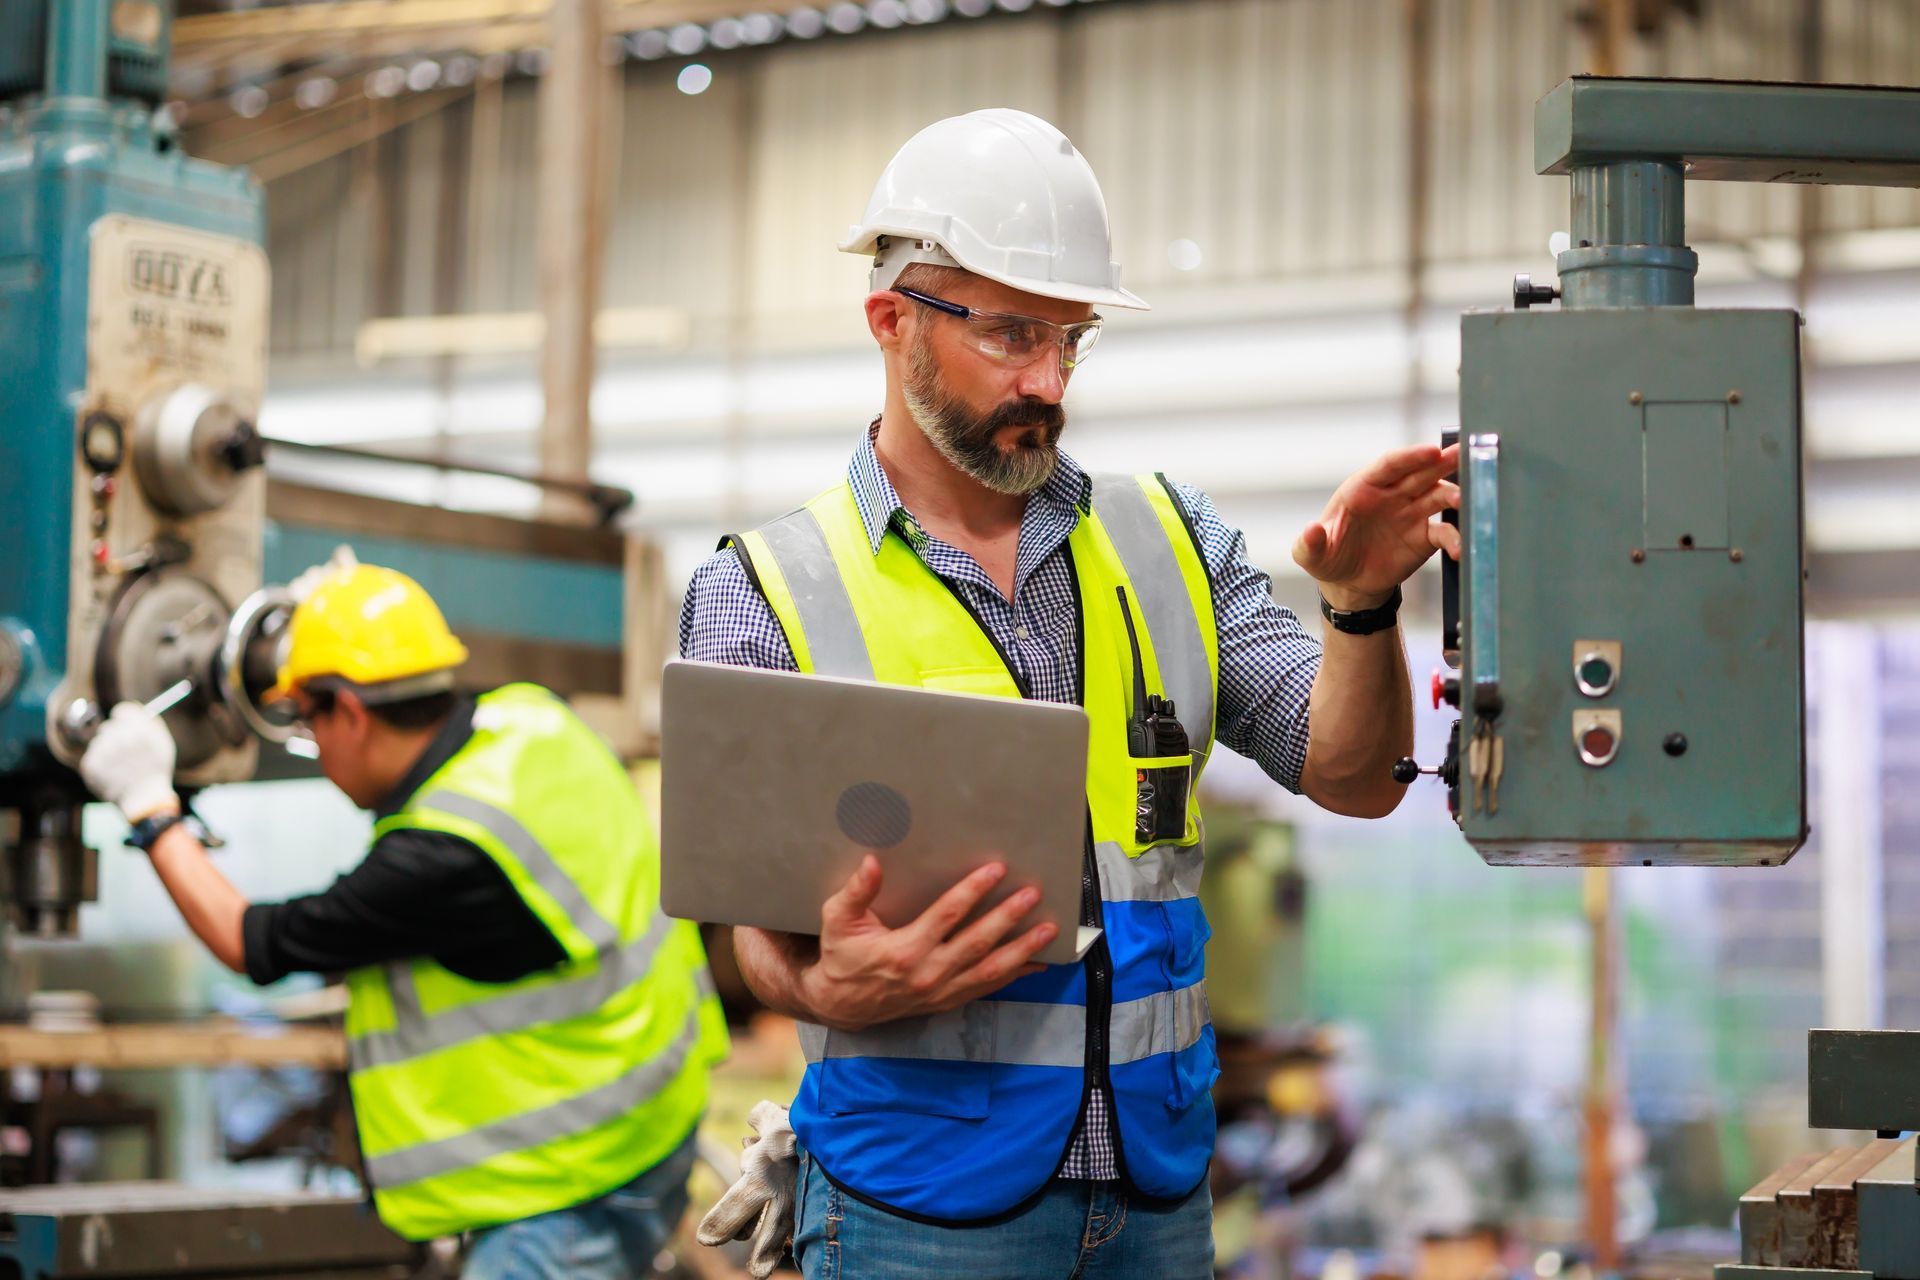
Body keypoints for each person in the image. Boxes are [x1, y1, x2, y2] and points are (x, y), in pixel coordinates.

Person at [680, 108, 1458, 1278]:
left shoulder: (1170, 542)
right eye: (1007, 333)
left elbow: (1349, 775)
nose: (1046, 379)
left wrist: (1355, 606)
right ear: (892, 320)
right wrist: (824, 982)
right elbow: (750, 932)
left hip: (1157, 1194)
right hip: (916, 1208)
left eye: (1070, 338)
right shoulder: (764, 588)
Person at [79, 556, 728, 1278]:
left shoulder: (440, 855)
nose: (312, 747)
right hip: (652, 1123)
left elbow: (247, 939)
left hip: (568, 1185)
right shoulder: (535, 719)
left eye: (306, 717)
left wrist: (148, 807)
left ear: (352, 713)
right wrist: (325, 629)